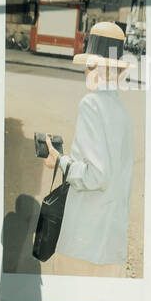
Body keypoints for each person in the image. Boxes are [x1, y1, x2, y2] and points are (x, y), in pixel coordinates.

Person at [43, 21, 135, 277]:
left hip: (82, 243)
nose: (85, 72)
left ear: (99, 69)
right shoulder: (123, 114)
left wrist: (59, 160)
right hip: (111, 246)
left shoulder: (91, 104)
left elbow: (95, 175)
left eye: (89, 65)